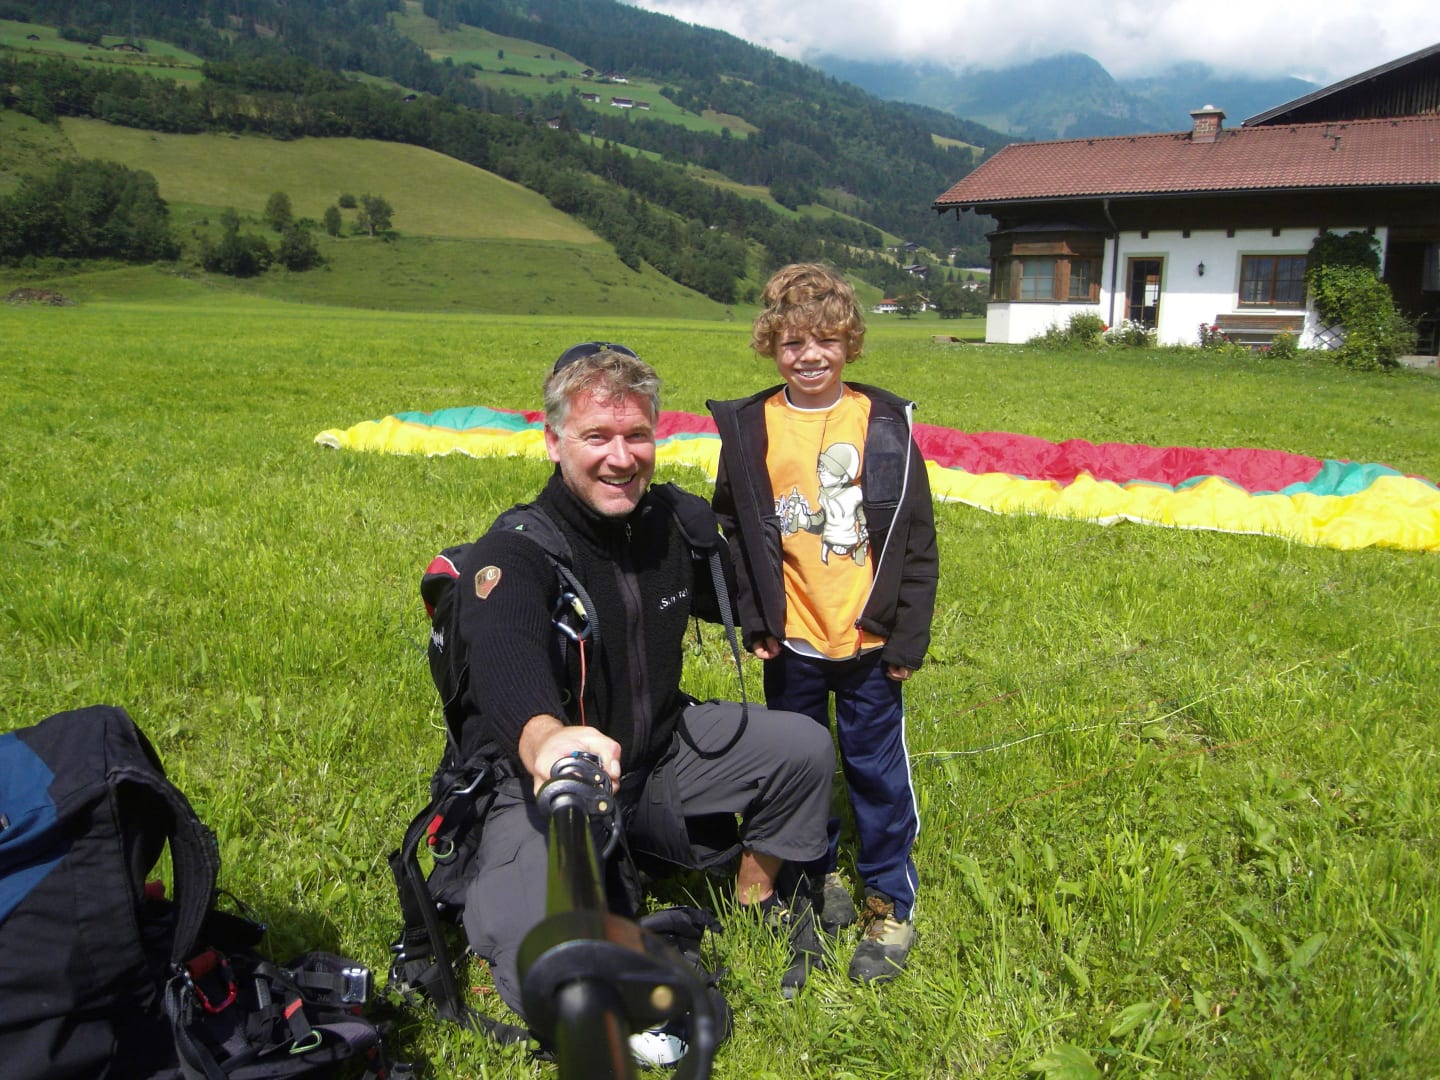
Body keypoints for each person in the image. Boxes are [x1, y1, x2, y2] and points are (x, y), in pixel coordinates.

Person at [445, 342, 836, 1019]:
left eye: (636, 436)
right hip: (543, 788)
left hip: (655, 757)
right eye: (596, 436)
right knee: (546, 956)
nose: (621, 458)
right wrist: (546, 740)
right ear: (553, 442)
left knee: (803, 747)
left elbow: (754, 594)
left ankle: (755, 900)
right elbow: (504, 653)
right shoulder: (516, 549)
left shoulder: (669, 528)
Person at [707, 264, 939, 984]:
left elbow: (917, 538)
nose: (810, 356)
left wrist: (908, 634)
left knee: (876, 772)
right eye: (793, 343)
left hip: (870, 641)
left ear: (851, 343)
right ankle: (815, 877)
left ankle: (888, 901)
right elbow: (733, 532)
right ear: (770, 346)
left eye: (826, 341)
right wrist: (755, 618)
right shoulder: (751, 428)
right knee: (800, 770)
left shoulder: (885, 424)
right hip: (793, 642)